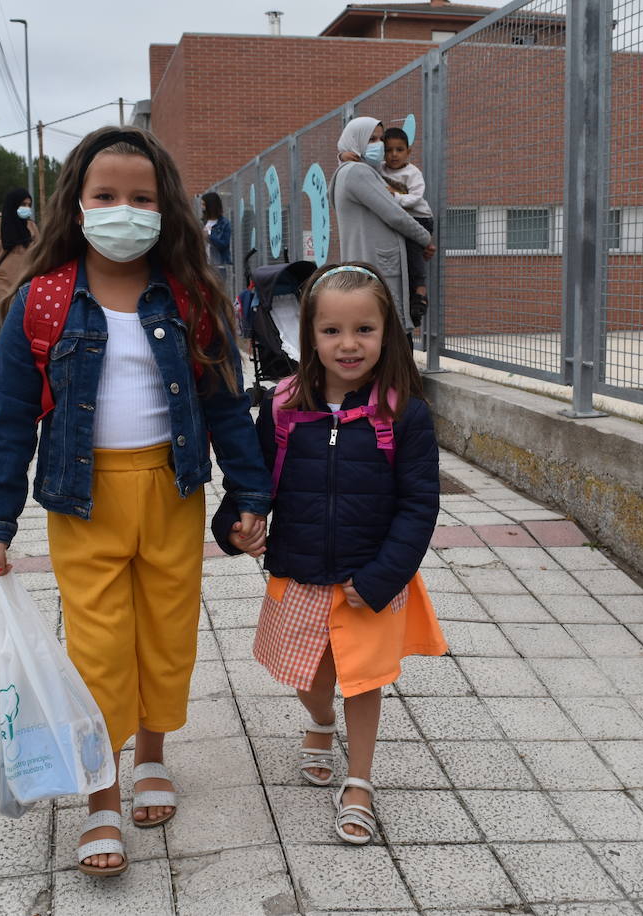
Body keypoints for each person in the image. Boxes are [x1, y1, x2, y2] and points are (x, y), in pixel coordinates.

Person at [0, 126, 271, 877]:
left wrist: (250, 490)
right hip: (83, 501)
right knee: (99, 646)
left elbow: (226, 405)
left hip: (172, 491)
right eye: (106, 196)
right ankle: (101, 791)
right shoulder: (42, 301)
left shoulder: (193, 299)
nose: (124, 211)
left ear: (165, 210)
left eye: (142, 198)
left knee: (167, 633)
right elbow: (9, 418)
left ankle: (153, 756)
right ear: (76, 206)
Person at [213, 262, 444, 846]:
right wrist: (234, 525)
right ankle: (319, 721)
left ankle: (359, 782)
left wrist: (386, 575)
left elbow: (419, 505)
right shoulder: (283, 407)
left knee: (363, 680)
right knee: (310, 676)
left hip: (370, 577)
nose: (348, 345)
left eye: (364, 329)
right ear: (309, 336)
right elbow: (252, 482)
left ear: (387, 333)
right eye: (332, 331)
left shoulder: (405, 413)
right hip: (300, 570)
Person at [332, 117, 434, 337]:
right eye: (371, 139)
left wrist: (341, 156)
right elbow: (396, 216)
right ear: (355, 141)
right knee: (389, 332)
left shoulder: (354, 171)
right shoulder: (358, 172)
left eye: (380, 139)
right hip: (379, 268)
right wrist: (425, 239)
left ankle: (419, 294)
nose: (378, 145)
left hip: (368, 268)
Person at [381, 127, 434, 327]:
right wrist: (342, 155)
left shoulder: (412, 172)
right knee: (400, 259)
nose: (394, 154)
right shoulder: (379, 169)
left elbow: (415, 198)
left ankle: (420, 293)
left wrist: (393, 197)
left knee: (413, 254)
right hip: (399, 218)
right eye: (388, 150)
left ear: (408, 152)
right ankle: (408, 301)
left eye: (399, 150)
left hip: (419, 217)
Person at [0, 188, 39, 317]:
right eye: (23, 204)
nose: (26, 208)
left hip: (26, 282)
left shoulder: (31, 226)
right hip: (1, 282)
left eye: (29, 205)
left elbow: (39, 253)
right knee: (4, 320)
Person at [201, 190, 232, 285]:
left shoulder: (224, 223)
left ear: (210, 205)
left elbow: (224, 244)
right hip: (204, 266)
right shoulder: (202, 222)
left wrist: (209, 237)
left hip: (218, 267)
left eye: (204, 204)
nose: (202, 207)